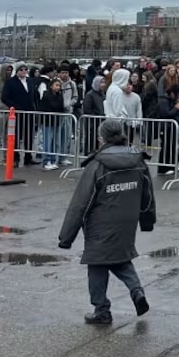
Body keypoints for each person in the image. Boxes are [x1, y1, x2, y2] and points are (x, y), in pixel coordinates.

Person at [57, 119, 156, 324]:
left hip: (100, 223)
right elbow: (147, 195)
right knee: (121, 258)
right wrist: (147, 221)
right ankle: (137, 291)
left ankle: (101, 309)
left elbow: (80, 203)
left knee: (97, 263)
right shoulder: (138, 161)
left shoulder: (97, 165)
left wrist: (66, 237)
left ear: (101, 139)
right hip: (127, 222)